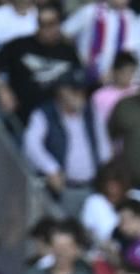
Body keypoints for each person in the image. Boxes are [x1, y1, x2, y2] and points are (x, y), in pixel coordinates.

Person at [0, 2, 83, 125]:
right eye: (41, 24)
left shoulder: (69, 52)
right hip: (22, 120)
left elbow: (81, 84)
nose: (46, 29)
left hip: (58, 125)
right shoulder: (18, 46)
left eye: (51, 24)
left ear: (59, 23)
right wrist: (1, 89)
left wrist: (75, 99)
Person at [23, 79, 109, 212]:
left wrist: (106, 174)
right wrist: (50, 168)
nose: (80, 96)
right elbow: (31, 145)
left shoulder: (91, 112)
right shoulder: (45, 113)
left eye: (82, 92)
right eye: (76, 92)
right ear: (62, 91)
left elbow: (104, 146)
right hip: (63, 188)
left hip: (93, 186)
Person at [64, 0, 135, 87]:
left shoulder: (129, 16)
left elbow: (128, 49)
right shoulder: (90, 11)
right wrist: (79, 57)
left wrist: (114, 72)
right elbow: (65, 32)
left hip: (113, 78)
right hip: (87, 73)